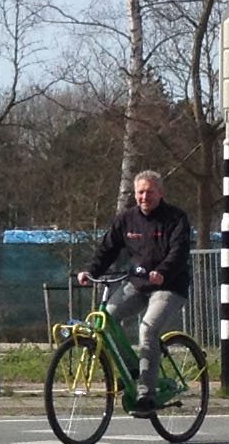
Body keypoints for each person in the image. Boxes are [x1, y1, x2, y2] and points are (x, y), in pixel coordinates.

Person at [77, 169, 193, 416]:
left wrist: (163, 271)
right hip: (137, 283)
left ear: (160, 193)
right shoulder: (126, 219)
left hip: (169, 285)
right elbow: (108, 248)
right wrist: (90, 271)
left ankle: (146, 395)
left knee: (147, 329)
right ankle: (131, 372)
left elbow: (179, 251)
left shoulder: (176, 218)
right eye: (140, 192)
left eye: (149, 192)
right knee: (105, 319)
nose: (144, 197)